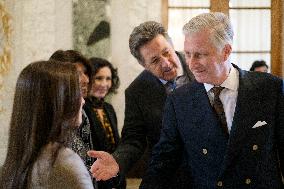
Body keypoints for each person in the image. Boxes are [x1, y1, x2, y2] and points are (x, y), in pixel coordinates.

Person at [139, 12, 284, 189]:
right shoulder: (178, 101)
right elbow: (163, 162)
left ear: (226, 51)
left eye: (200, 55)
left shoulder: (271, 88)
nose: (191, 64)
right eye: (188, 54)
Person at [88, 21, 194, 187]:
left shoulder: (198, 65)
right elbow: (133, 139)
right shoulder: (137, 91)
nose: (165, 63)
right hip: (168, 177)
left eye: (166, 52)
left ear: (172, 44)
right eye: (155, 60)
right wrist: (117, 161)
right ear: (143, 65)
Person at [0, 61, 94, 189]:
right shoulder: (64, 163)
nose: (83, 101)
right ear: (59, 102)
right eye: (77, 93)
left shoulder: (15, 163)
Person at [49, 50, 97, 187]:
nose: (86, 80)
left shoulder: (83, 114)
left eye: (85, 73)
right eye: (77, 74)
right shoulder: (51, 117)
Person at [84, 57, 126, 189]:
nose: (104, 84)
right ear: (88, 79)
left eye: (108, 79)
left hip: (114, 178)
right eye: (99, 78)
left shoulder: (109, 108)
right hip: (93, 179)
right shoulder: (81, 109)